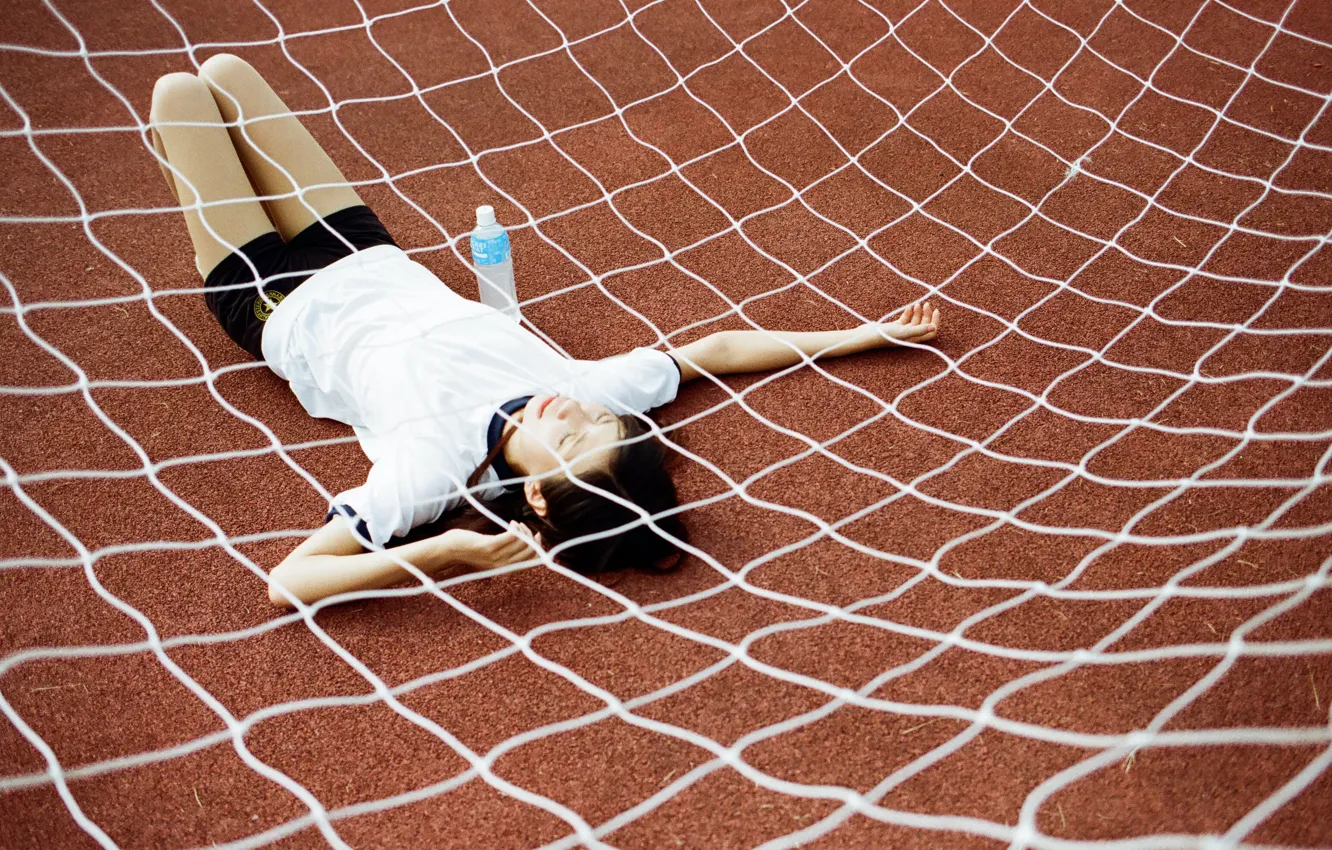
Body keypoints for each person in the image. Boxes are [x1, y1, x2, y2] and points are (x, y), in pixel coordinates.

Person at [148, 54, 943, 610]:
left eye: (571, 440)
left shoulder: (432, 471)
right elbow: (718, 354)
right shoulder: (586, 394)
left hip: (274, 300)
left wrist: (447, 551)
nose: (571, 413)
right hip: (366, 247)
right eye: (597, 422)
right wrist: (866, 334)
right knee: (227, 78)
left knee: (179, 96)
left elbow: (288, 581)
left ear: (532, 492)